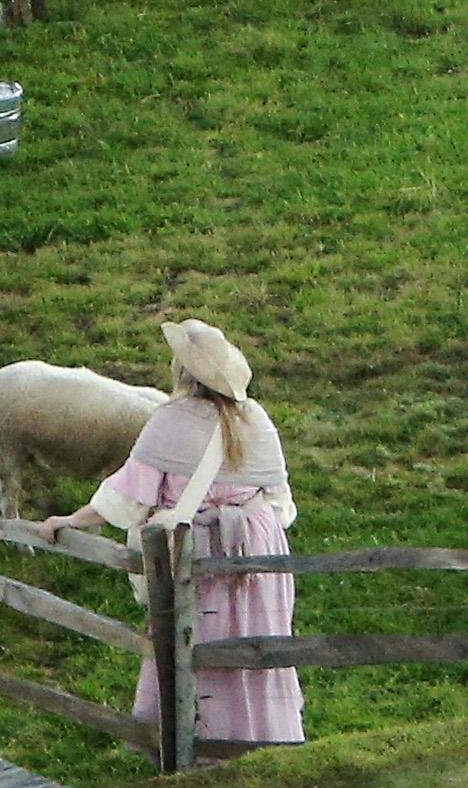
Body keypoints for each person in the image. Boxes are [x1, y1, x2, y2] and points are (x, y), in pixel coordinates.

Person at [41, 318, 303, 753]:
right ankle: (259, 738)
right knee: (255, 636)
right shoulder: (255, 419)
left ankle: (191, 741)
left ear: (182, 372)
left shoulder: (171, 422)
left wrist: (68, 521)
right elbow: (281, 505)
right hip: (258, 550)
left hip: (193, 549)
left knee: (190, 635)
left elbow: (127, 498)